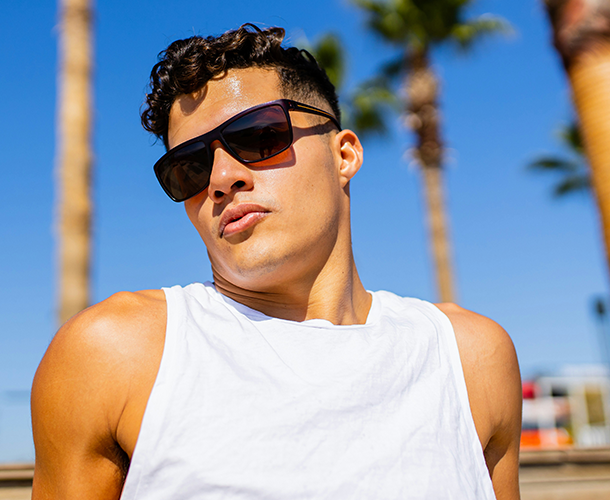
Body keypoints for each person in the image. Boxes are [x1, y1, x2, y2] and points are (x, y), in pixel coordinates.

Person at [31, 24, 522, 500]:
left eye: (259, 135)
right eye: (191, 167)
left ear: (345, 154)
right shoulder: (116, 353)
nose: (222, 177)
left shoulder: (471, 358)